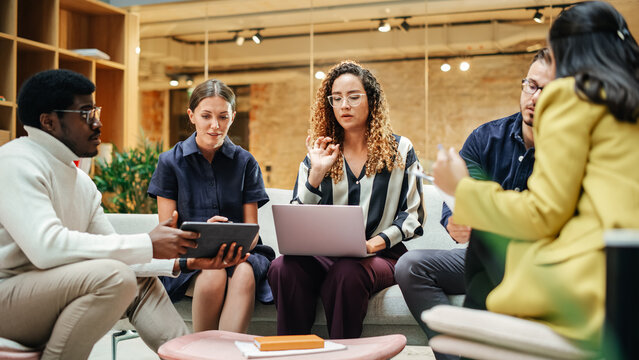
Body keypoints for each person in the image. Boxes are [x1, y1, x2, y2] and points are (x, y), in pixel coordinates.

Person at [432, 1, 639, 351]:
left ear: (564, 55)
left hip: (601, 278)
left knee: (486, 240)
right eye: (530, 85)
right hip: (624, 261)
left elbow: (541, 214)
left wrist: (460, 188)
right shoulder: (623, 100)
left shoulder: (571, 97)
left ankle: (471, 342)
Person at [0, 69, 244, 359]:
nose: (98, 123)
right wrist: (148, 243)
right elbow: (46, 248)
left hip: (52, 292)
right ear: (49, 122)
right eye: (86, 114)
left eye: (96, 111)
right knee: (115, 275)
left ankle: (189, 356)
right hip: (9, 298)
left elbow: (115, 249)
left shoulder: (81, 183)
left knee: (134, 274)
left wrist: (184, 261)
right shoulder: (16, 161)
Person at [395, 49, 553, 359]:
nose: (534, 97)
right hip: (479, 254)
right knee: (410, 266)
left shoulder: (567, 150)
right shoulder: (485, 139)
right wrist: (456, 224)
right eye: (531, 85)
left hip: (535, 262)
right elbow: (453, 210)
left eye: (547, 90)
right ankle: (457, 352)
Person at [267, 60, 426, 339]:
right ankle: (292, 351)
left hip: (380, 255)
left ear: (371, 100)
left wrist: (372, 244)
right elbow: (296, 217)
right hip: (324, 256)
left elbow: (413, 215)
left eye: (353, 97)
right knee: (283, 267)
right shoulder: (319, 152)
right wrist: (316, 173)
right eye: (337, 98)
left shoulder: (400, 149)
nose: (344, 105)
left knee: (348, 271)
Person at [148, 79, 274, 333]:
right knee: (214, 273)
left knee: (246, 272)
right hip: (190, 256)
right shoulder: (169, 162)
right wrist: (205, 236)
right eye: (206, 116)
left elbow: (252, 230)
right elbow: (167, 234)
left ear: (233, 117)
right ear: (191, 116)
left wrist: (229, 243)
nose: (215, 126)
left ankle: (225, 353)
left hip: (242, 253)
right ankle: (203, 352)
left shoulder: (246, 162)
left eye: (223, 117)